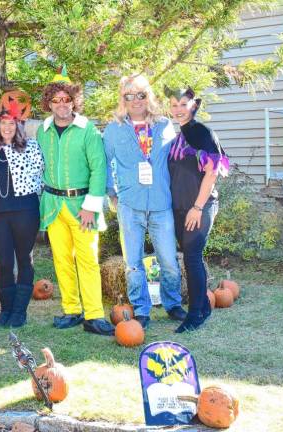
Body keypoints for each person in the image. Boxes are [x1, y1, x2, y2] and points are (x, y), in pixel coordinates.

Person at [103, 74, 185, 330]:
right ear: (123, 99)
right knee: (133, 264)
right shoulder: (114, 129)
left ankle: (172, 304)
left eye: (141, 95)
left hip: (162, 204)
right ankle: (141, 309)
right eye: (130, 96)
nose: (136, 100)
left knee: (169, 261)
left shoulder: (164, 126)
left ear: (148, 97)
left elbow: (179, 161)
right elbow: (104, 162)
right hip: (130, 204)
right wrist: (111, 192)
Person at [37, 67, 115, 336]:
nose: (61, 105)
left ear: (74, 101)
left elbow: (99, 168)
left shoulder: (87, 130)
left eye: (66, 99)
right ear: (49, 103)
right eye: (56, 100)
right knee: (61, 260)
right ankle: (71, 309)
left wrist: (90, 206)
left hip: (82, 207)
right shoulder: (42, 131)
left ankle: (93, 315)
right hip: (54, 206)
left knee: (88, 261)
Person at [167, 87, 229, 332]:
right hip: (180, 208)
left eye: (183, 104)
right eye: (174, 105)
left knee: (192, 256)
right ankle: (202, 306)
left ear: (193, 106)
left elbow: (211, 173)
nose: (178, 109)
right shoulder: (177, 137)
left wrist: (197, 207)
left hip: (199, 206)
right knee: (192, 258)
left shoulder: (202, 133)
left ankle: (194, 315)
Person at [0, 100, 44, 327]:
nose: (7, 127)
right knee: (5, 262)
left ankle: (19, 312)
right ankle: (6, 310)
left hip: (25, 210)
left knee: (23, 259)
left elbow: (42, 178)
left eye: (12, 123)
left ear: (19, 126)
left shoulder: (32, 146)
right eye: (4, 123)